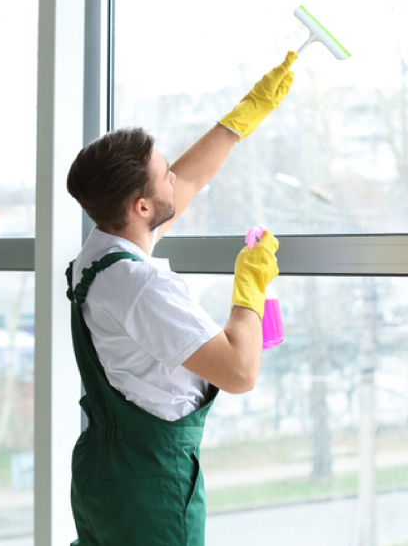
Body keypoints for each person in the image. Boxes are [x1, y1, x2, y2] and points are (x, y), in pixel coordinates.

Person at [64, 51, 297, 546]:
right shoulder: (141, 285)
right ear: (142, 206)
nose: (174, 176)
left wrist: (243, 117)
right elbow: (239, 371)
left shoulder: (98, 255)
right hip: (151, 486)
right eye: (162, 172)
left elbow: (186, 181)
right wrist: (250, 285)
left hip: (103, 472)